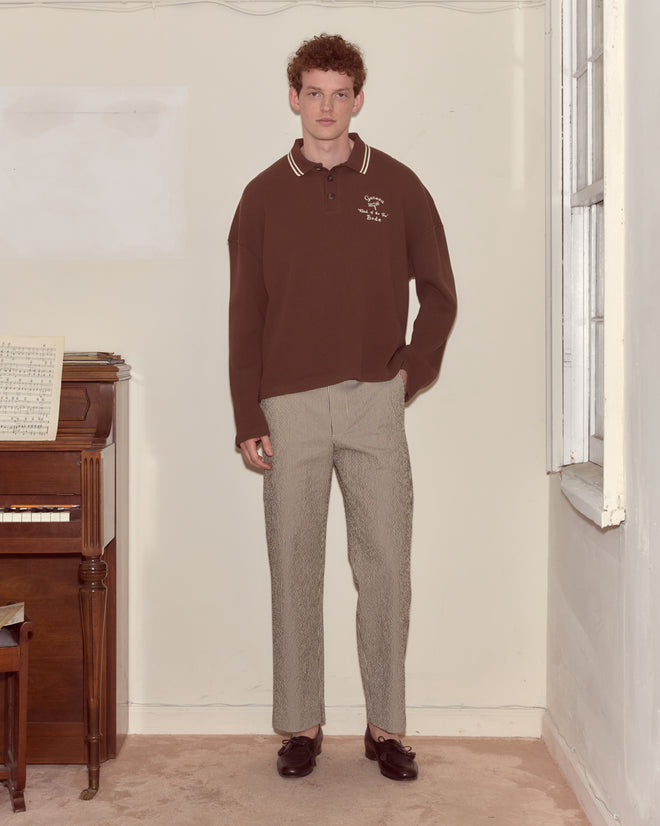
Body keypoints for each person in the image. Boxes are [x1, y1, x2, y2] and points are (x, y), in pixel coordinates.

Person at [228, 33, 457, 781]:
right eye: (313, 92)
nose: (326, 107)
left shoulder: (397, 185)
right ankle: (300, 726)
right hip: (287, 407)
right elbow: (245, 315)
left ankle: (387, 727)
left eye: (340, 93)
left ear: (359, 99)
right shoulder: (262, 195)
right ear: (294, 97)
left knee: (386, 566)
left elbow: (440, 293)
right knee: (293, 566)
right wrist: (247, 415)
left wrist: (409, 376)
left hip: (373, 405)